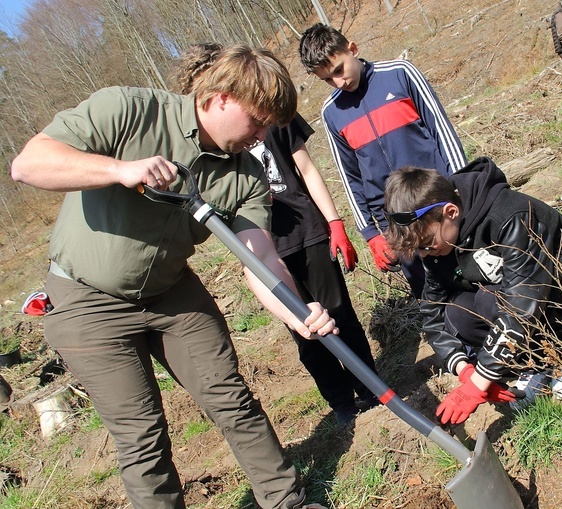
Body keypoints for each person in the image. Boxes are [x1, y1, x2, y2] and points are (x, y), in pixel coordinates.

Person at [10, 44, 332, 509]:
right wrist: (119, 170)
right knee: (141, 432)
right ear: (221, 97)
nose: (261, 136)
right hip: (86, 301)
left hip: (171, 293)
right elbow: (29, 164)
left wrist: (299, 311)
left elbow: (259, 257)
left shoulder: (246, 176)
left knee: (230, 397)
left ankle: (285, 500)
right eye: (257, 121)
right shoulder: (127, 109)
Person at [172, 43, 380, 427]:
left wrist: (334, 223)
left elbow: (307, 169)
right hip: (265, 243)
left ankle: (370, 388)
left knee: (339, 316)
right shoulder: (207, 143)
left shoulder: (277, 110)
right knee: (304, 331)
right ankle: (340, 401)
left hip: (308, 230)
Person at [382, 157, 562, 425]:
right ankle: (537, 362)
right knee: (458, 314)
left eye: (427, 244)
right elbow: (433, 313)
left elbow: (524, 300)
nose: (425, 253)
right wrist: (465, 370)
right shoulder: (436, 242)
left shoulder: (508, 215)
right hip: (508, 288)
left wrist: (479, 382)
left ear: (451, 212)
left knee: (492, 300)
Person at [298, 23, 467, 299]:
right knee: (431, 300)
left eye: (339, 70)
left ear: (352, 49)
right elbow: (350, 176)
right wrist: (370, 232)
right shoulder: (332, 113)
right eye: (328, 80)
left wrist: (463, 182)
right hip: (396, 222)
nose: (338, 82)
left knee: (470, 277)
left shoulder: (400, 73)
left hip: (437, 202)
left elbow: (441, 130)